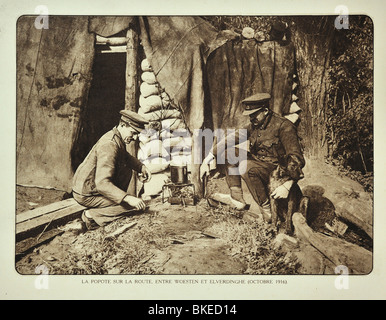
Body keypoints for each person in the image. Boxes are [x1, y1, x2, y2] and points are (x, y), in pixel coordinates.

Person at [200, 93, 305, 222]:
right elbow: (232, 138)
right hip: (259, 163)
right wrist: (209, 156)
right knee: (229, 153)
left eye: (254, 114)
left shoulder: (284, 126)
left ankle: (267, 211)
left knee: (247, 167)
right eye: (250, 115)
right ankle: (237, 199)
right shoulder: (255, 125)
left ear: (265, 111)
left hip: (277, 171)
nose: (251, 118)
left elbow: (296, 158)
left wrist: (287, 184)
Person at [72, 109, 152, 230]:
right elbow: (102, 184)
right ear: (123, 125)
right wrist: (128, 198)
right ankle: (90, 216)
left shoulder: (116, 137)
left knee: (130, 199)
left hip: (89, 187)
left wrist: (141, 167)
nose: (135, 138)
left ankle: (100, 211)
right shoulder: (109, 144)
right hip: (88, 193)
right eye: (133, 133)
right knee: (132, 206)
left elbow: (125, 156)